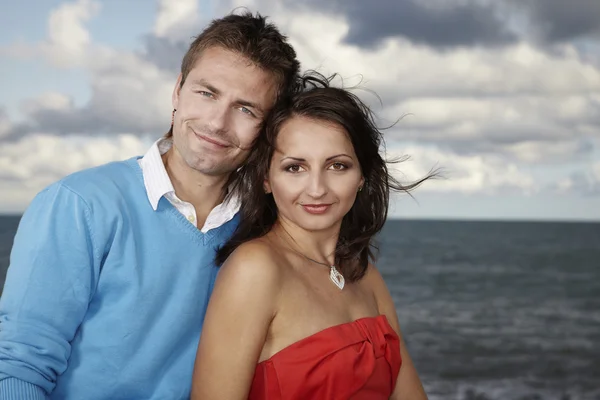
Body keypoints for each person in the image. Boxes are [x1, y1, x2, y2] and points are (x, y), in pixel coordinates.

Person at [0, 11, 300, 399]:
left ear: (269, 127)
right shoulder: (79, 206)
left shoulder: (263, 232)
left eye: (246, 108)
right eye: (206, 93)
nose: (217, 121)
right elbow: (18, 367)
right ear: (177, 91)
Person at [191, 73, 434, 399]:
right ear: (266, 178)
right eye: (295, 167)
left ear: (362, 176)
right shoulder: (255, 269)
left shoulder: (364, 274)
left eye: (337, 166)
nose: (317, 189)